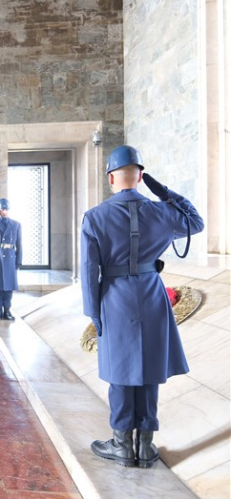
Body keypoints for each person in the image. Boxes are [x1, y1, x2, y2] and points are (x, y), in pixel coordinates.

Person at [81, 145, 204, 469]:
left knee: (120, 372)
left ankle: (122, 445)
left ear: (110, 178)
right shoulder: (163, 212)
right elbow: (196, 222)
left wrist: (92, 311)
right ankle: (146, 446)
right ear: (140, 177)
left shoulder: (95, 217)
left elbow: (89, 271)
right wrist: (166, 194)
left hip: (115, 298)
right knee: (149, 370)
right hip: (152, 294)